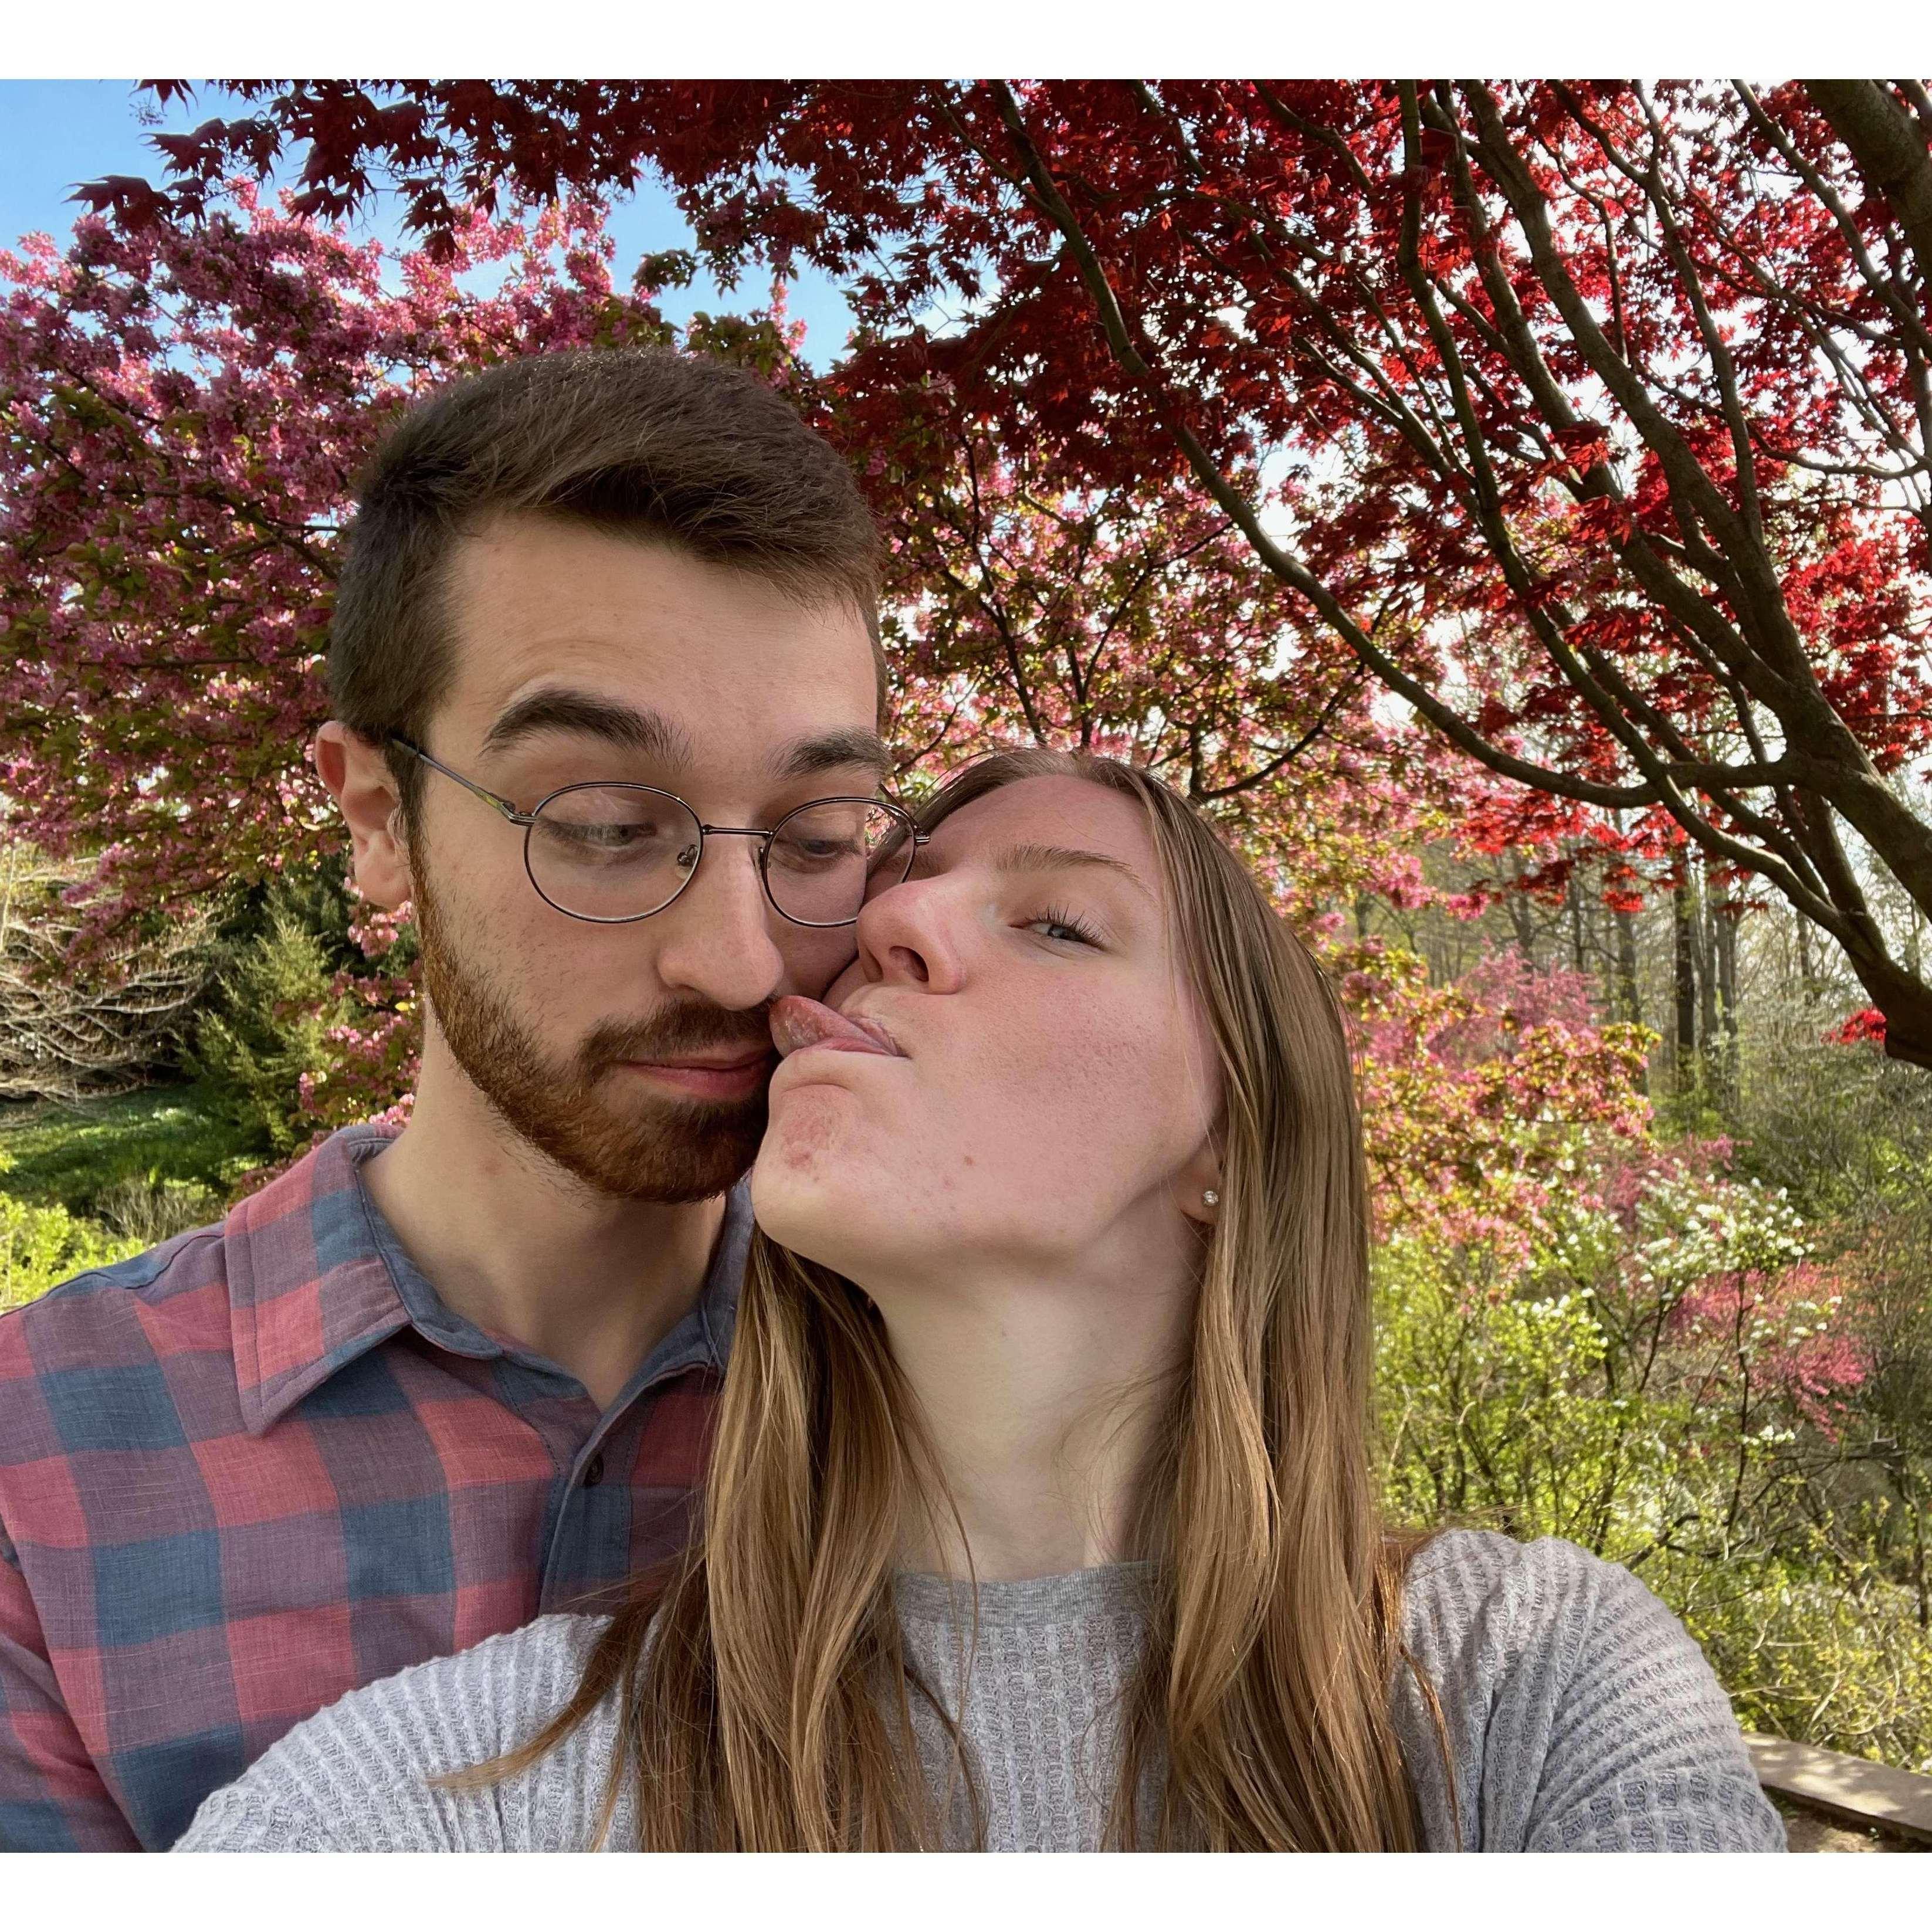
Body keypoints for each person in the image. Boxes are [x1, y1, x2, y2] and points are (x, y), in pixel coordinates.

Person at [176, 751, 1787, 1852]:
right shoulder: (511, 1770)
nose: (886, 919)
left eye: (1056, 920)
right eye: (900, 885)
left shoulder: (1522, 1678)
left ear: (1227, 1137)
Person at [0, 347, 894, 1849]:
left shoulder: (950, 1376)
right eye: (606, 826)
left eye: (818, 832)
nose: (744, 957)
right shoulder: (42, 1468)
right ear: (377, 822)